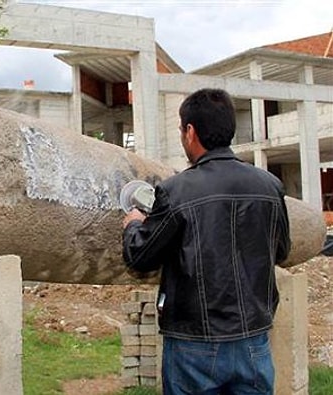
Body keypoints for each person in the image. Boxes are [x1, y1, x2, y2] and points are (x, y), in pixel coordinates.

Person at [121, 88, 291, 394]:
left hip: (193, 344)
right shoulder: (270, 186)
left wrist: (134, 225)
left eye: (180, 129)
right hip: (254, 339)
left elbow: (140, 256)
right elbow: (281, 250)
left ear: (190, 131)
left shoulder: (176, 191)